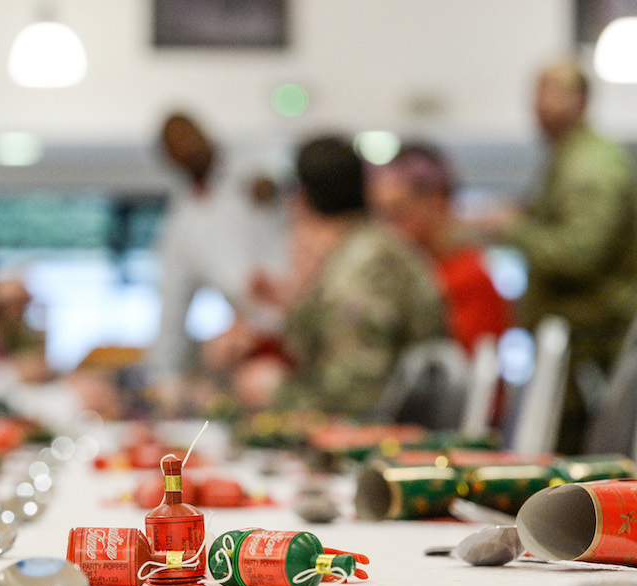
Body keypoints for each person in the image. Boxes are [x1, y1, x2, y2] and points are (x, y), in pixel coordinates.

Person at [480, 60, 637, 454]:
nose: (539, 106)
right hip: (577, 342)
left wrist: (513, 229)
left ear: (582, 101)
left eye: (553, 93)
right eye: (537, 93)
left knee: (581, 470)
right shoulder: (569, 158)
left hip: (592, 343)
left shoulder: (590, 166)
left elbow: (579, 253)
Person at [251, 135, 445, 416]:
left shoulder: (362, 267)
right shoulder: (371, 247)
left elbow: (356, 396)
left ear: (302, 200)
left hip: (383, 441)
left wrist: (276, 393)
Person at [148, 112, 286, 414]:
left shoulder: (255, 177)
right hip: (252, 342)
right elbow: (172, 305)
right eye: (175, 144)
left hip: (296, 319)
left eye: (188, 136)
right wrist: (164, 377)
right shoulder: (183, 222)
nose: (185, 147)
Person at [370, 143, 510, 353]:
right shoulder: (419, 268)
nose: (390, 230)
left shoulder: (466, 276)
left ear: (437, 201)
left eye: (399, 213)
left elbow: (471, 372)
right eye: (382, 217)